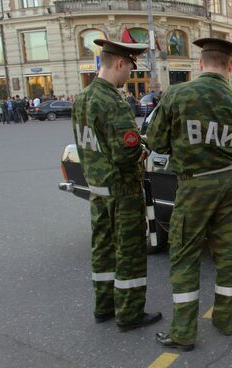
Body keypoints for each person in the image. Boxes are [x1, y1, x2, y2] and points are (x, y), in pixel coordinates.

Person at [148, 37, 232, 351]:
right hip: (230, 186)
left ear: (201, 64)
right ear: (230, 66)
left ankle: (184, 333)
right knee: (227, 256)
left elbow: (156, 142)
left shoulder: (178, 95)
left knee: (185, 257)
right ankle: (226, 321)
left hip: (195, 187)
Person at [71, 39, 162, 331]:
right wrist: (144, 148)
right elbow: (127, 154)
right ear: (120, 63)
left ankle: (104, 307)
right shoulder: (113, 102)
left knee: (103, 251)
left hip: (98, 190)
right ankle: (130, 314)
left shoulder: (83, 97)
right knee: (130, 254)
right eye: (131, 68)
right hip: (122, 193)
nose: (131, 75)